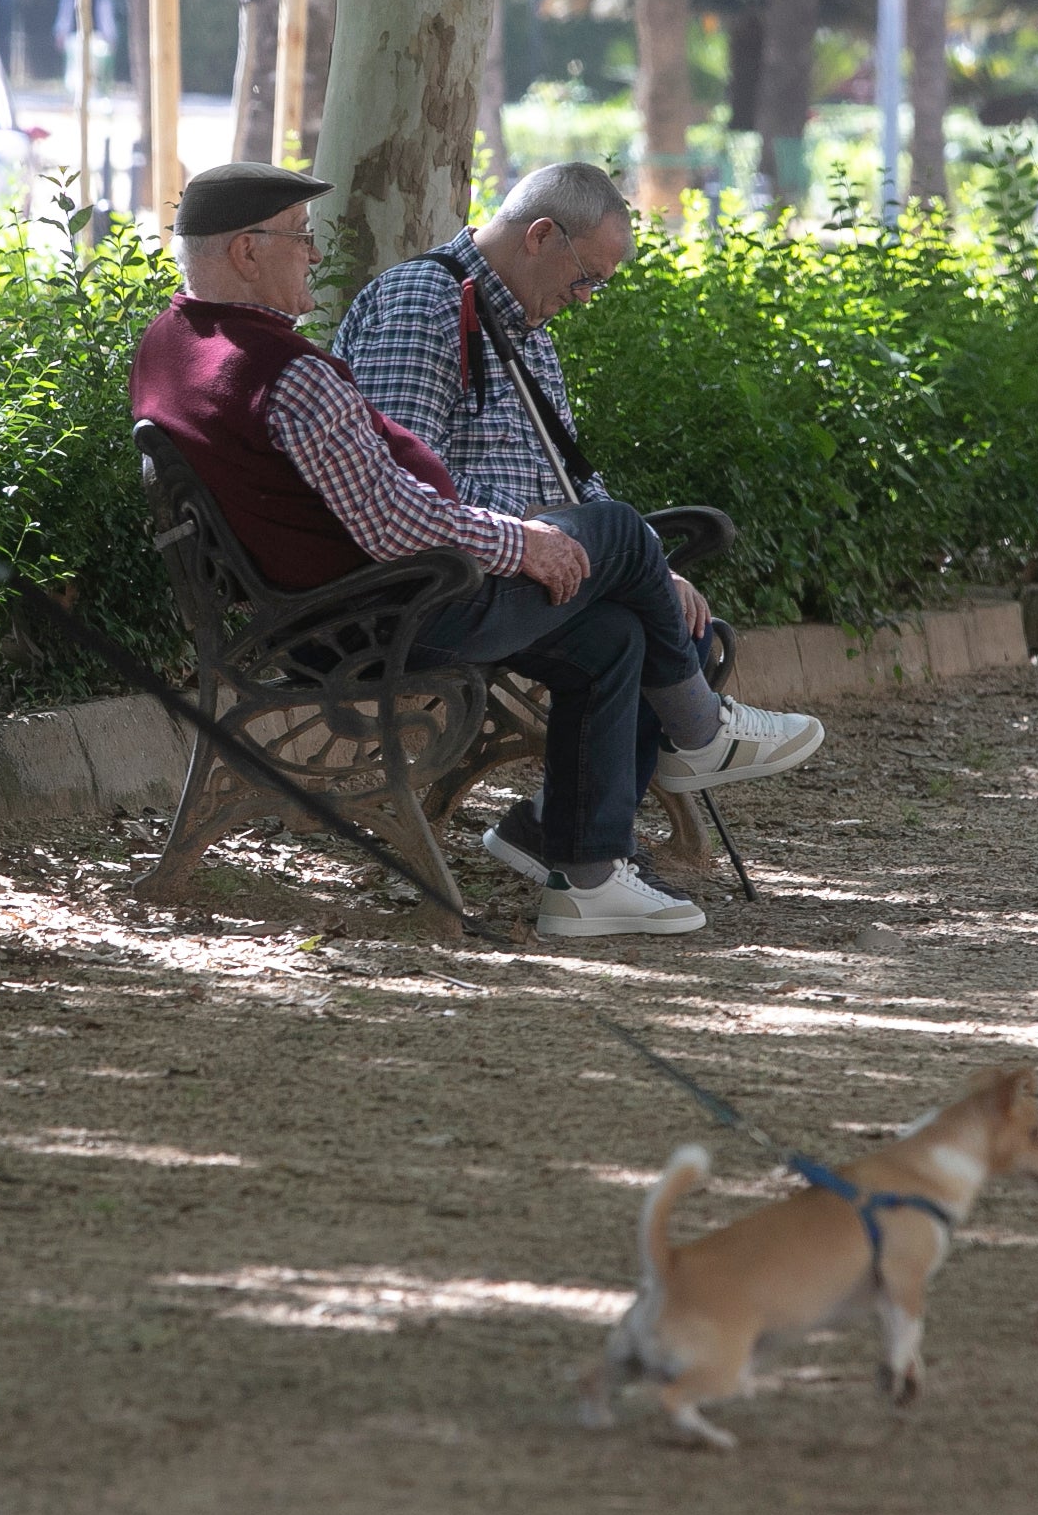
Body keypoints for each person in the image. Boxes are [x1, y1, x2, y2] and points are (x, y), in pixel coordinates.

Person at [130, 161, 824, 942]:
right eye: (302, 238)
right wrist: (520, 542)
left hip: (355, 604)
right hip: (398, 608)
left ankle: (588, 880)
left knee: (614, 635)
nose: (316, 257)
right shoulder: (283, 371)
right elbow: (391, 521)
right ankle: (701, 731)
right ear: (247, 253)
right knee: (624, 532)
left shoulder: (175, 344)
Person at [331, 161, 766, 886]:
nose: (587, 299)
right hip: (426, 588)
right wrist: (531, 525)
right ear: (540, 236)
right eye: (586, 278)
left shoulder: (525, 321)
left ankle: (568, 844)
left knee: (633, 625)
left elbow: (572, 478)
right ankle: (702, 728)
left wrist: (654, 571)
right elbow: (400, 478)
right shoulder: (423, 302)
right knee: (626, 543)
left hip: (499, 573)